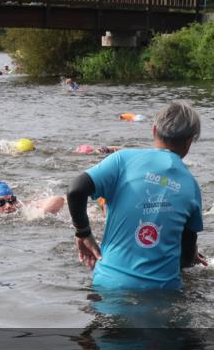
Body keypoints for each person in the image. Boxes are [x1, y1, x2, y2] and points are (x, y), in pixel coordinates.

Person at [66, 101, 206, 291]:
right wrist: (190, 257)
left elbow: (75, 190)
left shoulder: (123, 159)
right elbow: (187, 257)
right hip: (161, 293)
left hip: (108, 286)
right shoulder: (191, 185)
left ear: (154, 130)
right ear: (190, 141)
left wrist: (83, 233)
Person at [0, 181, 64, 217]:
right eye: (0, 202)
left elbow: (59, 199)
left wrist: (39, 214)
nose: (8, 205)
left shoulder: (22, 207)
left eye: (11, 200)